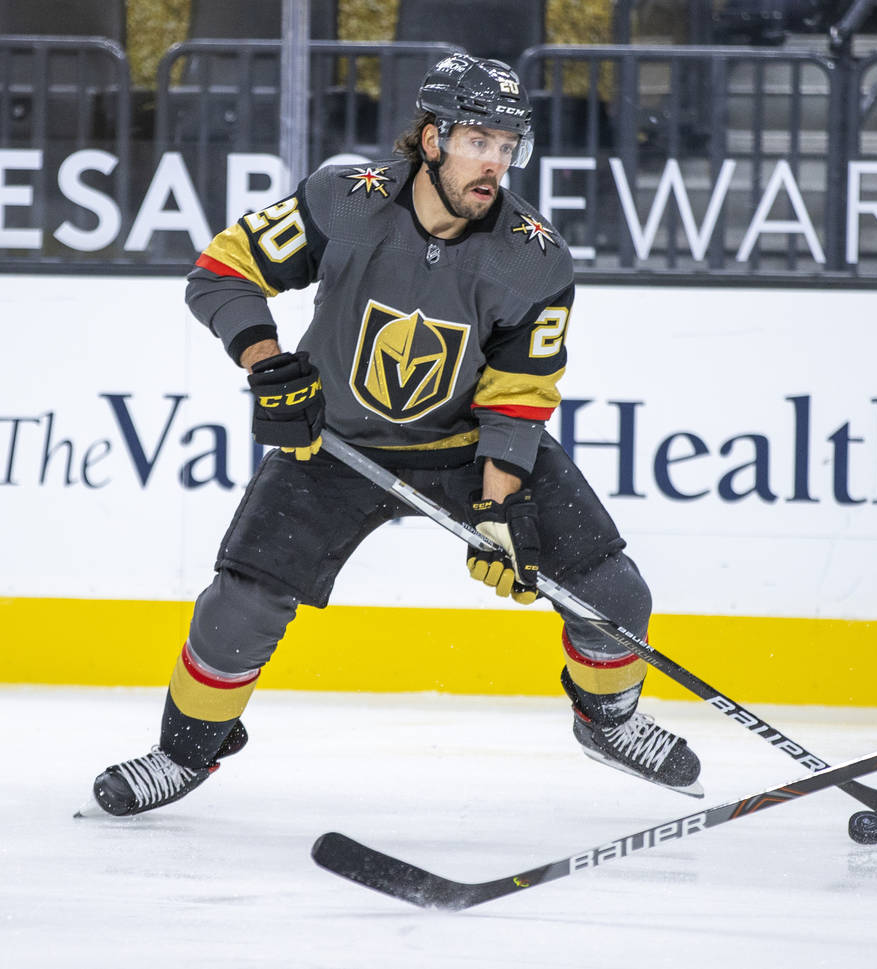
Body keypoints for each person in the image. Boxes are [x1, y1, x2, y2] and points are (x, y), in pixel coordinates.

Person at [80, 54, 701, 818]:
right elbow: (222, 270)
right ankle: (184, 753)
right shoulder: (345, 201)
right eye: (480, 141)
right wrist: (269, 365)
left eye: (509, 147)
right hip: (335, 447)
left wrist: (497, 503)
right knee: (238, 607)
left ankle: (608, 721)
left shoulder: (534, 256)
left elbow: (520, 390)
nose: (495, 164)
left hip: (464, 448)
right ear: (432, 139)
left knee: (614, 591)